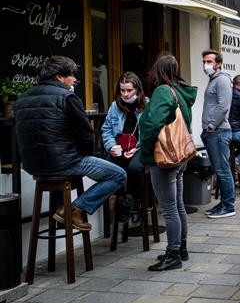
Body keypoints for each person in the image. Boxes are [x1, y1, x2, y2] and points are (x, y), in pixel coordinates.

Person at [14, 56, 127, 231]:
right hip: (64, 164)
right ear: (59, 77)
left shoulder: (21, 99)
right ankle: (73, 209)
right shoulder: (67, 97)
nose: (74, 79)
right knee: (118, 175)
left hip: (34, 167)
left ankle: (62, 211)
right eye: (72, 75)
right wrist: (84, 154)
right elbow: (86, 134)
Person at [139, 54, 197, 271]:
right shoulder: (181, 92)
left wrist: (145, 153)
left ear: (158, 71)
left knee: (169, 208)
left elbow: (152, 125)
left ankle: (173, 255)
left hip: (164, 158)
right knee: (178, 205)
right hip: (180, 156)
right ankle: (181, 249)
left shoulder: (163, 91)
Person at [101, 72, 148, 223]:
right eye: (122, 90)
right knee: (110, 168)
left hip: (139, 147)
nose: (125, 94)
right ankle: (122, 201)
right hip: (120, 148)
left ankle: (135, 200)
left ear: (137, 89)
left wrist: (137, 148)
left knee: (134, 168)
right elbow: (106, 130)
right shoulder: (115, 106)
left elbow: (151, 132)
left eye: (129, 90)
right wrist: (111, 146)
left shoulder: (146, 104)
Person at [200, 49, 236, 219]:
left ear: (218, 63)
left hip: (219, 132)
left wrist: (212, 126)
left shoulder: (222, 80)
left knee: (223, 171)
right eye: (204, 62)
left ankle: (229, 206)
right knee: (220, 170)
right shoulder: (214, 80)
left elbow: (223, 106)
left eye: (209, 61)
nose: (206, 65)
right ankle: (224, 203)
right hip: (213, 132)